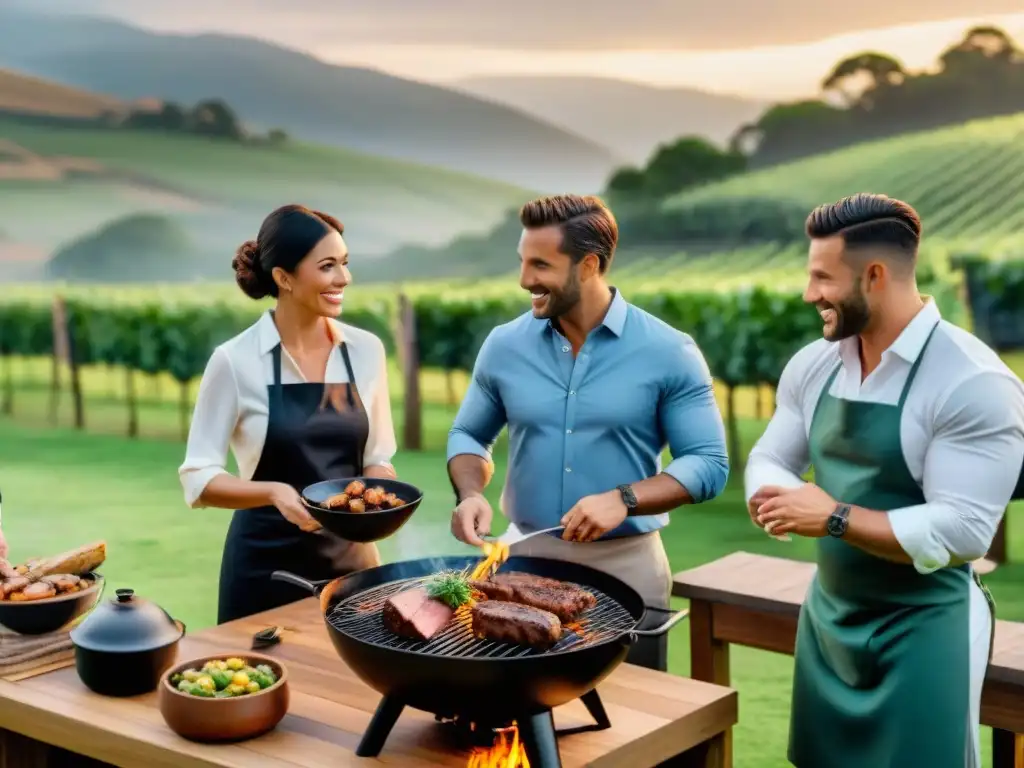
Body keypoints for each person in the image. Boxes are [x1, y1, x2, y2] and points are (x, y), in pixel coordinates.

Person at [745, 193, 1024, 768]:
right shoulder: (813, 364)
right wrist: (771, 495)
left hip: (925, 630)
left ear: (873, 276)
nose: (808, 294)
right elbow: (773, 454)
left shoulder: (971, 382)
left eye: (822, 277)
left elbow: (963, 531)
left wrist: (833, 518)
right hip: (829, 620)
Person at [446, 194, 729, 670]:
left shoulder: (669, 351)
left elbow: (708, 464)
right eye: (522, 261)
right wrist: (470, 493)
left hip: (628, 566)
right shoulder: (504, 345)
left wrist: (625, 498)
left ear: (588, 265)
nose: (524, 280)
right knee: (522, 725)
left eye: (540, 264)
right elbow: (468, 435)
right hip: (522, 566)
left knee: (633, 722)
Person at [178, 204, 398, 625]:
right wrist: (274, 492)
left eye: (346, 263)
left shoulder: (366, 351)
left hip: (352, 567)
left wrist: (381, 492)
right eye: (328, 266)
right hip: (264, 570)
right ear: (284, 278)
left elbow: (376, 456)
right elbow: (198, 479)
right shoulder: (235, 361)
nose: (344, 278)